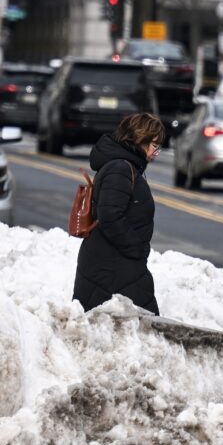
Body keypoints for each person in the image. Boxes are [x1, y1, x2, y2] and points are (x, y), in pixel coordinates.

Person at [73, 113, 165, 315]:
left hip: (115, 263)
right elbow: (110, 215)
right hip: (111, 265)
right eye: (153, 145)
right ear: (139, 139)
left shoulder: (124, 166)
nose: (154, 153)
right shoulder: (120, 168)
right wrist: (136, 248)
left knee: (118, 330)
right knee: (146, 327)